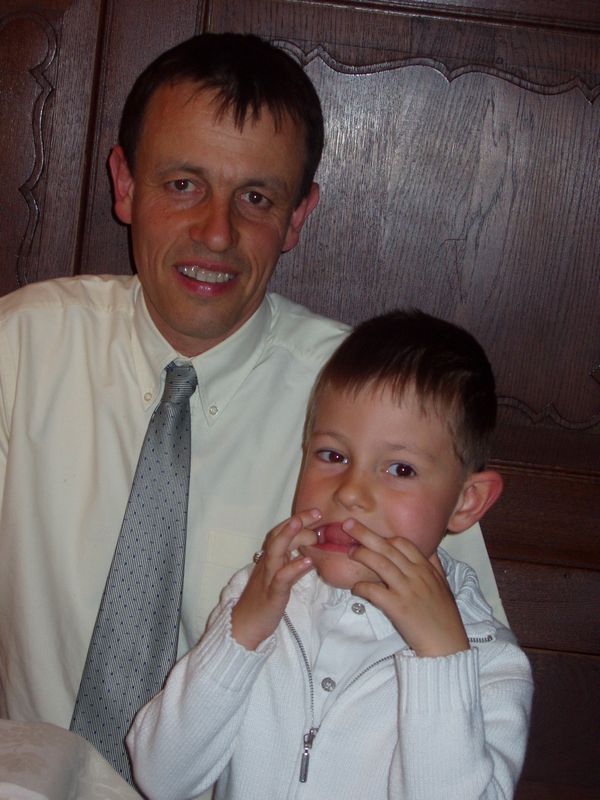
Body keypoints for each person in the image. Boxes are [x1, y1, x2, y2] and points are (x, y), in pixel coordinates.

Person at [0, 33, 504, 783]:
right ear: (125, 184)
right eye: (182, 184)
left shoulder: (382, 408)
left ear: (298, 217)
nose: (216, 232)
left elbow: (460, 687)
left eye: (257, 198)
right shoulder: (19, 348)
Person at [127, 309, 533, 800]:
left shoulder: (489, 660)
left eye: (400, 469)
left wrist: (441, 659)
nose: (351, 493)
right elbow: (161, 778)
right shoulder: (260, 595)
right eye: (333, 456)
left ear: (467, 502)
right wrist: (243, 634)